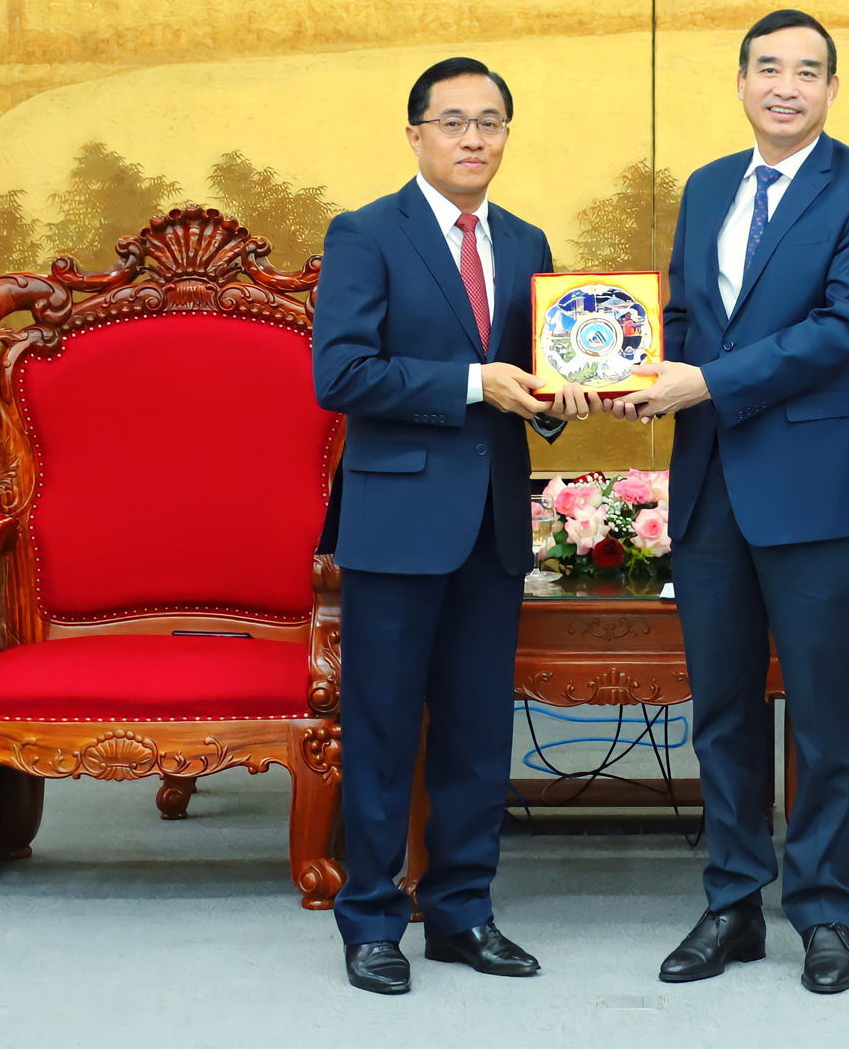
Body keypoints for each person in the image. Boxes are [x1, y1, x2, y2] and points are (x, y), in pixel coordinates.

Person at [611, 10, 849, 994]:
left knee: (822, 717)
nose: (785, 85)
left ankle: (822, 911)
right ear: (740, 84)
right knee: (722, 711)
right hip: (707, 485)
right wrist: (615, 366)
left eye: (806, 72)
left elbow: (839, 327)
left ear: (829, 90)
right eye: (767, 68)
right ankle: (732, 902)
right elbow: (688, 315)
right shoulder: (704, 188)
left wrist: (708, 383)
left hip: (810, 486)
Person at [313, 56, 597, 995]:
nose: (474, 138)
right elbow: (342, 375)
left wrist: (567, 396)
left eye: (491, 123)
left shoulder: (525, 240)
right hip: (395, 521)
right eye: (454, 122)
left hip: (490, 525)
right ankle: (371, 920)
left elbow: (535, 372)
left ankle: (464, 912)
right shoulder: (366, 235)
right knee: (385, 727)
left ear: (507, 135)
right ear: (416, 134)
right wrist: (476, 384)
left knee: (480, 733)